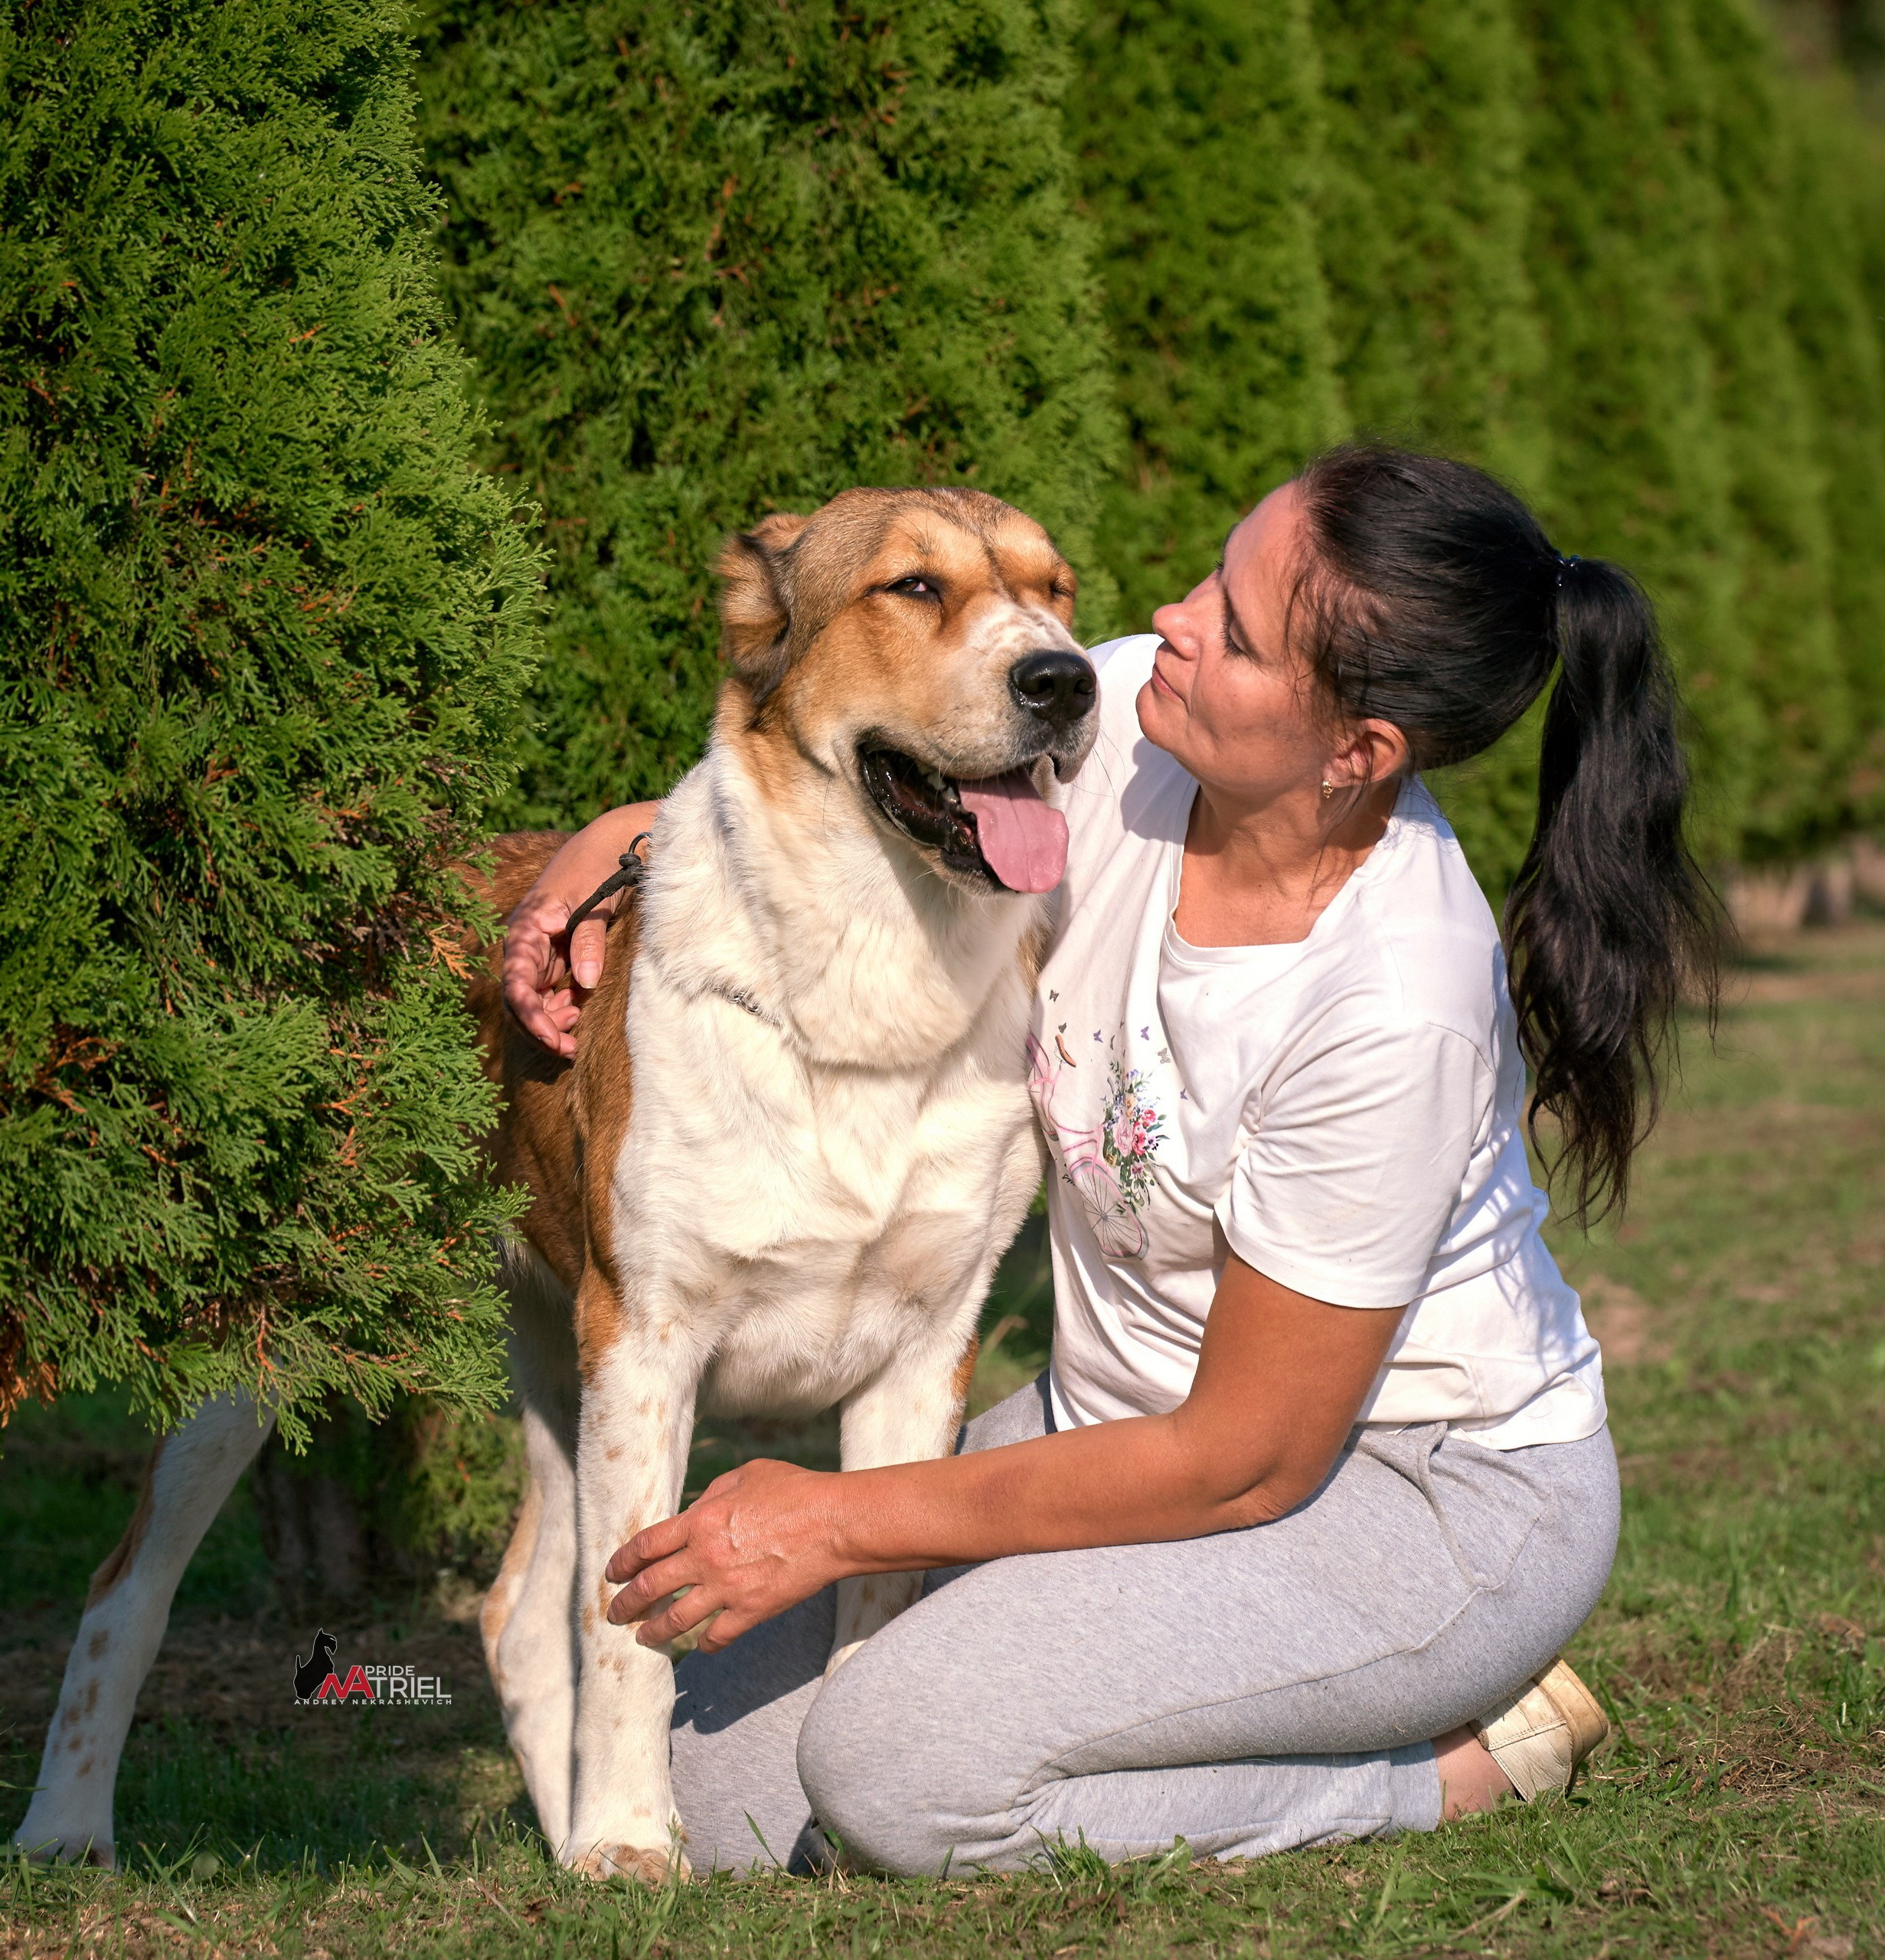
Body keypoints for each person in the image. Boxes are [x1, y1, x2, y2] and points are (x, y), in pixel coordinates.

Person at [501, 445, 1717, 1876]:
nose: (1165, 625)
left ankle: (1449, 1762)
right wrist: (614, 844)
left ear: (1355, 753)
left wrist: (835, 1519)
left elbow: (1242, 1463)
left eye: (1238, 630)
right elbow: (816, 782)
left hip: (1401, 1492)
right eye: (1210, 575)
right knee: (724, 1796)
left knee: (897, 1779)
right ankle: (1144, 1705)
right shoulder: (1136, 726)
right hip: (1112, 1429)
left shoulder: (1393, 1004)